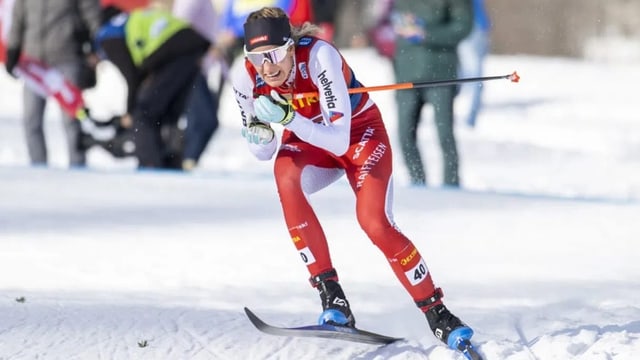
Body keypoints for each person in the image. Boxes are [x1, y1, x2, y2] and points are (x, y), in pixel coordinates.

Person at [231, 6, 475, 348]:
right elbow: (263, 152)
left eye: (273, 55)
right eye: (257, 58)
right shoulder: (245, 77)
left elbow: (338, 138)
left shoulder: (319, 57)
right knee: (285, 177)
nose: (267, 68)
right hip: (308, 142)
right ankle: (333, 299)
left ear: (289, 46)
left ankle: (438, 313)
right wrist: (261, 135)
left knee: (374, 222)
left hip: (359, 137)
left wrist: (288, 118)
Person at [95, 5, 210, 169]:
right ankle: (171, 163)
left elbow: (132, 76)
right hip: (191, 48)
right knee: (168, 112)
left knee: (143, 114)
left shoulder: (107, 36)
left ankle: (151, 165)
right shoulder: (129, 22)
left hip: (176, 52)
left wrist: (129, 112)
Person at [4, 0, 101, 168]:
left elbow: (92, 14)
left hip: (67, 57)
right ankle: (38, 167)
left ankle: (78, 167)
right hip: (33, 62)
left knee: (72, 118)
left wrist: (94, 47)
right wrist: (13, 49)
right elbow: (18, 18)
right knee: (31, 119)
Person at [391, 0, 473, 187]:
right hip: (406, 72)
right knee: (405, 135)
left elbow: (463, 26)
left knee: (445, 134)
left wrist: (426, 34)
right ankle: (418, 183)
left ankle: (451, 185)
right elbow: (392, 21)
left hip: (440, 72)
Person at [172, 0, 225, 170]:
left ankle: (187, 160)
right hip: (189, 66)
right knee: (203, 118)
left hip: (199, 68)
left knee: (204, 119)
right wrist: (198, 51)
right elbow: (179, 25)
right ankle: (185, 160)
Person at [458, 0, 491, 128]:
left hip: (472, 27)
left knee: (473, 73)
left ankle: (470, 117)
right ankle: (469, 115)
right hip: (474, 26)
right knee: (469, 73)